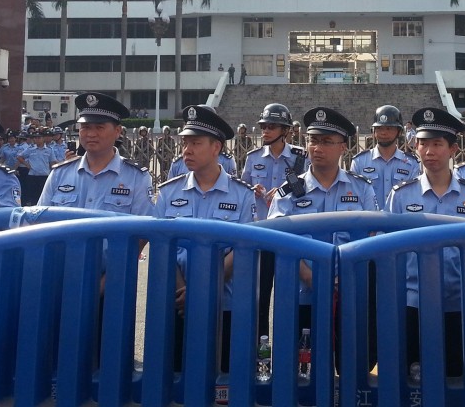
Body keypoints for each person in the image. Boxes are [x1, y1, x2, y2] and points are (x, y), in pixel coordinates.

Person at [386, 107, 465, 377]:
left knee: (456, 374)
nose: (428, 151)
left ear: (454, 149)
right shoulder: (401, 196)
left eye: (437, 144)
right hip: (413, 303)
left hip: (460, 302)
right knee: (411, 377)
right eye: (422, 143)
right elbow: (388, 254)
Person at [153, 105, 256, 370]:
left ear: (216, 148)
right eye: (185, 143)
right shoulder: (168, 193)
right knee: (176, 372)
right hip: (178, 304)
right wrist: (183, 292)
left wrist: (203, 288)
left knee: (222, 376)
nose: (186, 150)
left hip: (225, 302)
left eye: (195, 143)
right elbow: (162, 246)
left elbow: (243, 250)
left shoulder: (242, 195)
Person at [267, 107, 378, 330]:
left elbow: (373, 237)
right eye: (313, 140)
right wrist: (308, 275)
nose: (317, 148)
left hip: (349, 292)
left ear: (343, 147)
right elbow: (275, 239)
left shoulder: (362, 189)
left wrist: (343, 277)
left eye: (326, 141)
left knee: (350, 359)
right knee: (302, 360)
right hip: (300, 295)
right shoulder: (288, 193)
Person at [240, 103, 308, 337]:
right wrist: (253, 188)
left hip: (288, 236)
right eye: (263, 126)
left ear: (285, 131)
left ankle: (290, 345)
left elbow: (306, 193)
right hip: (261, 234)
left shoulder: (300, 158)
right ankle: (262, 349)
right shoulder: (253, 157)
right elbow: (243, 189)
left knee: (288, 295)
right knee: (260, 296)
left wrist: (283, 191)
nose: (265, 131)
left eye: (271, 127)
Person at [37, 92, 153, 215]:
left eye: (99, 127)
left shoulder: (137, 178)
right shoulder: (59, 174)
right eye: (85, 127)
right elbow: (39, 221)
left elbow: (144, 230)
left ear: (117, 131)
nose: (91, 134)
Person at [349, 105, 420, 207]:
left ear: (399, 132)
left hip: (400, 221)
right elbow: (354, 198)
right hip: (369, 221)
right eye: (379, 128)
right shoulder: (359, 162)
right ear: (373, 132)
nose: (383, 133)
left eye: (389, 128)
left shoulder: (411, 163)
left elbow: (414, 198)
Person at [17, 131, 55, 207]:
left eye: (39, 138)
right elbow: (20, 157)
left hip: (44, 176)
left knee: (44, 197)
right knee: (32, 198)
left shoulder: (49, 150)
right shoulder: (30, 149)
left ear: (43, 138)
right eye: (35, 138)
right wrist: (27, 165)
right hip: (33, 176)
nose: (37, 139)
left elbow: (52, 162)